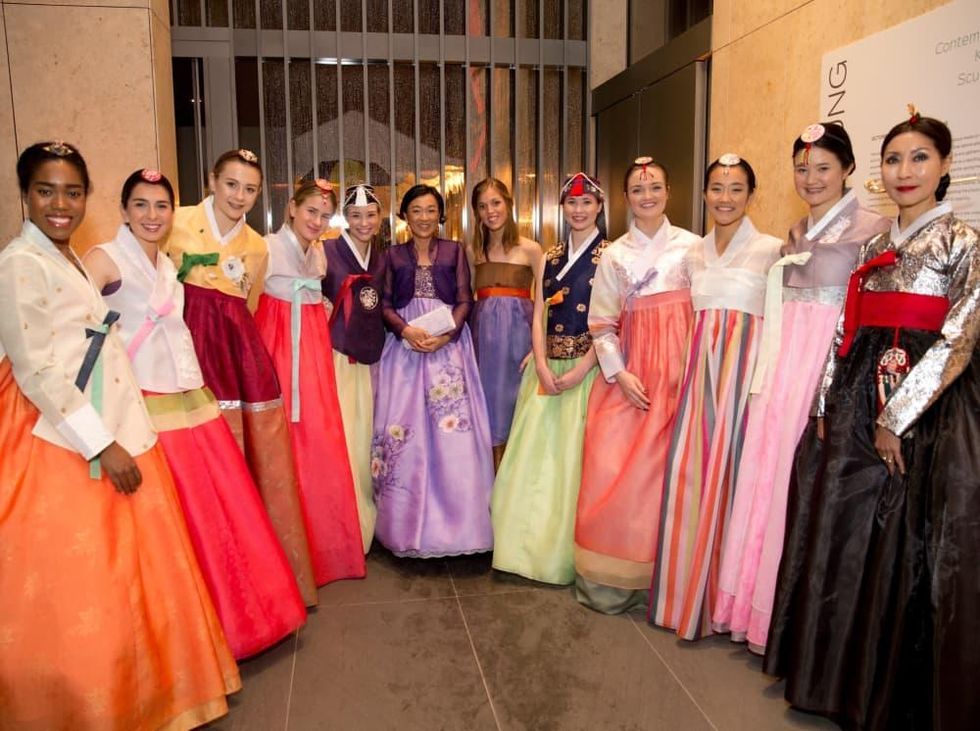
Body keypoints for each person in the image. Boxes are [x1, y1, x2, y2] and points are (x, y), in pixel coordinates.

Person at [0, 142, 240, 727]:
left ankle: (143, 688)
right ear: (24, 195)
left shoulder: (66, 256)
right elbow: (35, 367)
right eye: (46, 191)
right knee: (81, 586)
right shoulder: (20, 262)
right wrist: (100, 443)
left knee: (135, 573)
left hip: (110, 421)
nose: (61, 204)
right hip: (61, 439)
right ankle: (87, 704)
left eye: (72, 192)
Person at [765, 112, 980, 730]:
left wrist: (897, 417)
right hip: (856, 394)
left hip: (927, 406)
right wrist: (825, 406)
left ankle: (891, 694)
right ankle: (836, 680)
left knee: (906, 544)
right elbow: (844, 331)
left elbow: (959, 340)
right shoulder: (873, 245)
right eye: (894, 159)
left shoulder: (963, 242)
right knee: (846, 535)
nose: (904, 172)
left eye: (918, 158)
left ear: (944, 166)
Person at [83, 168, 307, 659]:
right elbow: (77, 325)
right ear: (122, 210)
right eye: (140, 205)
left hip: (189, 395)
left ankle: (231, 618)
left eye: (160, 206)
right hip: (143, 402)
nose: (152, 215)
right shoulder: (104, 258)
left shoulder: (166, 265)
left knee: (215, 509)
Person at [712, 124, 889, 652]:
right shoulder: (794, 233)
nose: (811, 179)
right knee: (763, 477)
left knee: (803, 486)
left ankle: (790, 618)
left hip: (825, 368)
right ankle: (749, 604)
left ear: (849, 170)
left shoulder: (872, 230)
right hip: (780, 365)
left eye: (823, 168)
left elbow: (866, 320)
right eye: (802, 168)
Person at [164, 149, 318, 606]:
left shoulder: (256, 245)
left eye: (250, 189)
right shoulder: (174, 221)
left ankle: (244, 565)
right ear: (213, 180)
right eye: (232, 184)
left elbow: (246, 307)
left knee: (243, 456)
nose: (240, 196)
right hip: (181, 347)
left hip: (234, 354)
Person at [648, 154, 781, 639]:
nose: (725, 198)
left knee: (736, 485)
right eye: (717, 188)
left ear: (751, 195)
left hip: (744, 380)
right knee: (690, 480)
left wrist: (764, 385)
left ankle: (728, 602)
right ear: (704, 194)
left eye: (736, 189)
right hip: (698, 377)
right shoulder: (693, 255)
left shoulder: (772, 250)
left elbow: (779, 326)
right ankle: (685, 594)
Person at [574, 158, 700, 612]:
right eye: (637, 190)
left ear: (668, 192)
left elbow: (706, 315)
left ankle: (674, 580)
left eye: (655, 188)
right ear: (626, 198)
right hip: (631, 373)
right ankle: (618, 580)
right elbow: (601, 323)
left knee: (676, 474)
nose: (647, 196)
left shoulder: (693, 247)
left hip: (682, 370)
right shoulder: (614, 254)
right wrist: (619, 373)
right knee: (616, 470)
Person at [491, 172, 609, 585]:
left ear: (599, 207)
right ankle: (520, 547)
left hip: (587, 371)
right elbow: (539, 311)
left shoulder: (611, 255)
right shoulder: (551, 255)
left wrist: (583, 367)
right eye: (572, 203)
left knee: (570, 465)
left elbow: (612, 321)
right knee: (530, 459)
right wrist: (540, 362)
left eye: (587, 203)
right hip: (546, 369)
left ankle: (560, 553)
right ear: (563, 208)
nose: (579, 210)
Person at [372, 184, 494, 557]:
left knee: (451, 434)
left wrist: (447, 336)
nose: (423, 218)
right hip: (405, 351)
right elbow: (386, 304)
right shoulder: (391, 256)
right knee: (404, 431)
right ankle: (403, 524)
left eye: (430, 210)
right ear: (404, 216)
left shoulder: (456, 251)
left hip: (447, 351)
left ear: (439, 215)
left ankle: (459, 525)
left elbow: (464, 299)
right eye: (416, 211)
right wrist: (406, 330)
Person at [254, 179, 366, 584]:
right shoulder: (264, 247)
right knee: (280, 434)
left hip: (311, 349)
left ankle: (323, 548)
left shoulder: (318, 254)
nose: (317, 221)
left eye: (323, 215)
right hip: (277, 342)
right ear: (291, 209)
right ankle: (281, 553)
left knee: (318, 437)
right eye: (310, 212)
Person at [322, 184, 387, 552]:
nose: (364, 222)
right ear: (345, 218)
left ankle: (369, 515)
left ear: (380, 218)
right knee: (344, 437)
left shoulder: (381, 258)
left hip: (373, 360)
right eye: (356, 215)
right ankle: (343, 524)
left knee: (368, 437)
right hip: (337, 358)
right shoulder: (326, 252)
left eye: (371, 215)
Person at [468, 178, 543, 468]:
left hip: (520, 341)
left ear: (508, 204)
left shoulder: (531, 249)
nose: (490, 211)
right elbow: (469, 300)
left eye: (496, 203)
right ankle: (489, 484)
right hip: (483, 343)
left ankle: (516, 485)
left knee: (517, 410)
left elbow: (546, 302)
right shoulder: (473, 251)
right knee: (486, 410)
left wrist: (538, 348)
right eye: (483, 206)